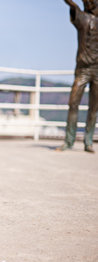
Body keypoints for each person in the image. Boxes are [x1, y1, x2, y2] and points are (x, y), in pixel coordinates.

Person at [58, 0, 98, 153]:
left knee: (94, 108)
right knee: (73, 103)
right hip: (82, 70)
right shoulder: (82, 18)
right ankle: (69, 141)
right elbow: (72, 5)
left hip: (97, 70)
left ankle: (88, 142)